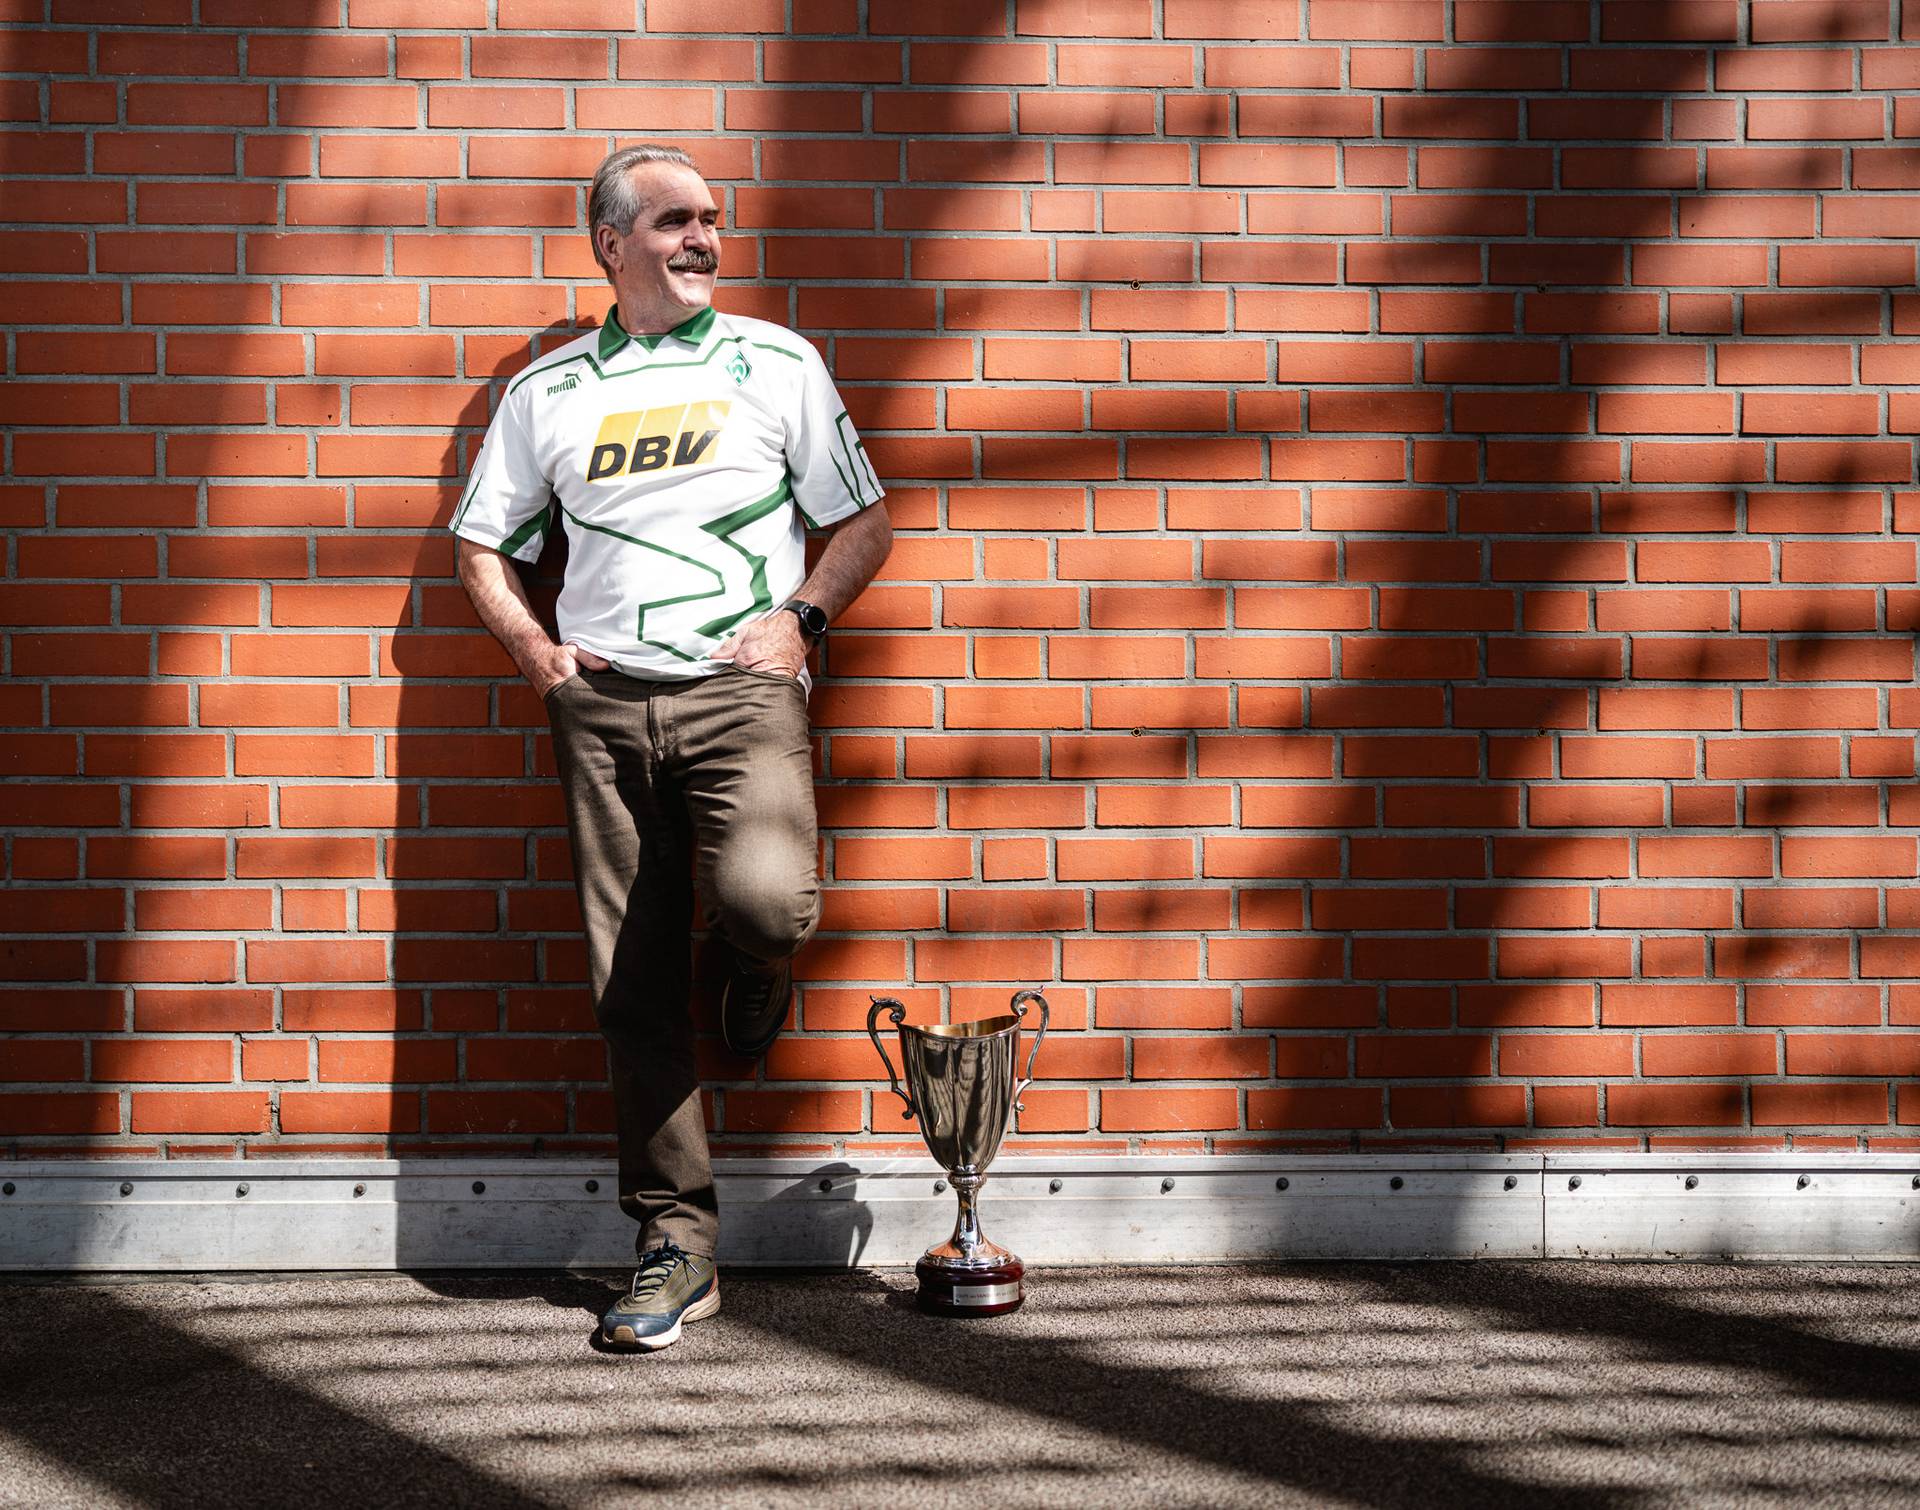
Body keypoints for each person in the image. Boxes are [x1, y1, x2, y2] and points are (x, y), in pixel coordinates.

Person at [452, 144, 892, 1351]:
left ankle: (754, 964)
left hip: (740, 691)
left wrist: (799, 620)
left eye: (712, 221)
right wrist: (542, 664)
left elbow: (862, 518)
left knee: (768, 903)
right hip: (599, 707)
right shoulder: (548, 392)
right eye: (674, 222)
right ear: (611, 243)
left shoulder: (776, 361)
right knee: (633, 984)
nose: (704, 239)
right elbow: (482, 548)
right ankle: (674, 1244)